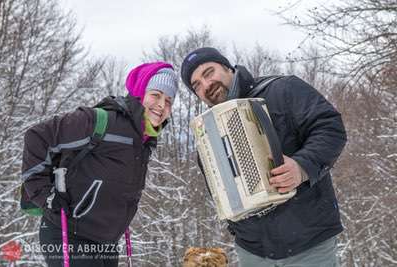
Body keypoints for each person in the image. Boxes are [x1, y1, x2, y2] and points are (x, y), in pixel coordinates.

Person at [181, 47, 347, 267]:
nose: (206, 85)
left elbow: (330, 128)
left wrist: (301, 167)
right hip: (253, 252)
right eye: (196, 86)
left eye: (208, 73)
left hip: (309, 244)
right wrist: (238, 228)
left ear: (227, 67)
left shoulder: (283, 89)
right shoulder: (208, 132)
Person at [21, 62, 179, 267]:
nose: (161, 105)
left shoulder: (145, 141)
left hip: (106, 242)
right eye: (156, 95)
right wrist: (44, 195)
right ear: (140, 92)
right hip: (68, 233)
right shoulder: (100, 121)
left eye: (168, 101)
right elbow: (37, 136)